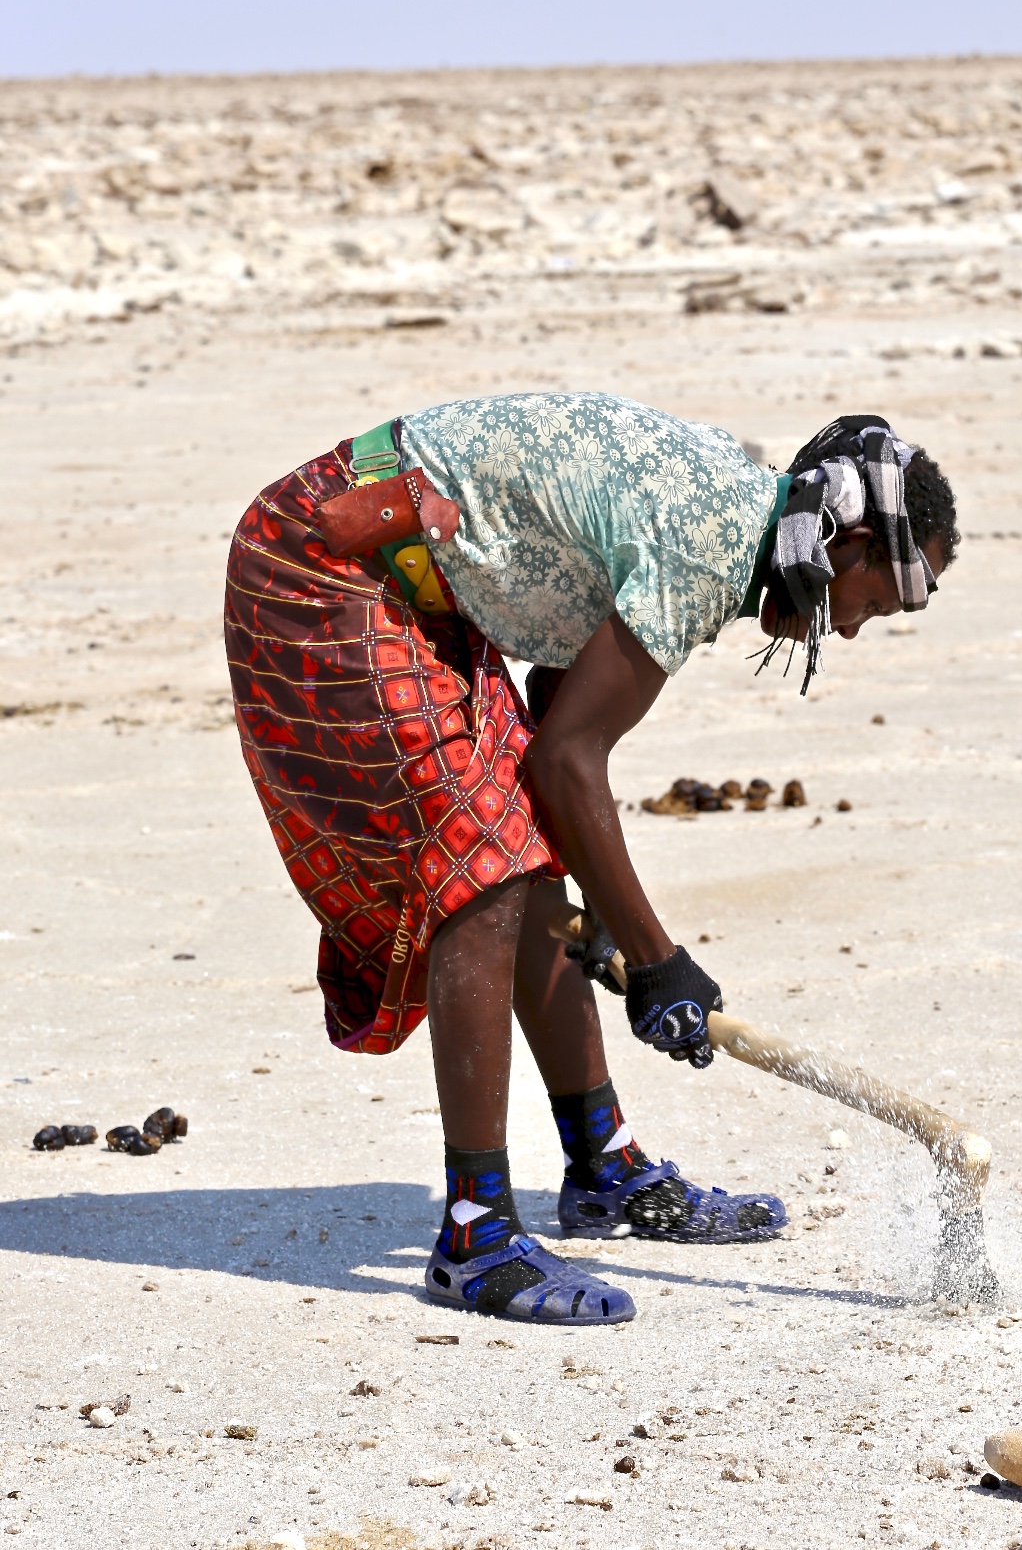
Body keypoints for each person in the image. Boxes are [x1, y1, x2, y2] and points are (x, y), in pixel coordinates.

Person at [224, 396, 959, 1326]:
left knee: (516, 859)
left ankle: (603, 1169)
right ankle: (474, 1235)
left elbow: (557, 697)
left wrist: (612, 922)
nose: (851, 629)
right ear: (845, 543)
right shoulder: (711, 540)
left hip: (414, 582)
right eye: (873, 602)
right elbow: (566, 759)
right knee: (482, 879)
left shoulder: (729, 525)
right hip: (324, 566)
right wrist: (659, 964)